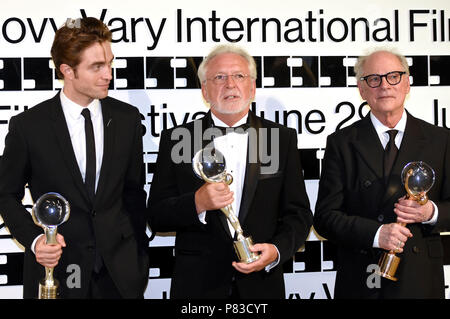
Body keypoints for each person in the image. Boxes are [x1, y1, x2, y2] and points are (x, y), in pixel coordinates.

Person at [147, 44, 312, 299]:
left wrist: (277, 250)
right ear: (204, 90)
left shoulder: (281, 139)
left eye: (239, 76)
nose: (230, 84)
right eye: (219, 77)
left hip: (262, 287)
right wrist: (197, 203)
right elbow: (156, 215)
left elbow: (298, 213)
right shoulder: (177, 139)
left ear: (253, 87)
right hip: (198, 287)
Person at [0, 17, 149, 299]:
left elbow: (133, 194)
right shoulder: (29, 126)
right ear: (67, 70)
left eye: (110, 63)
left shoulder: (127, 120)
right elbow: (5, 194)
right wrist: (34, 241)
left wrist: (138, 258)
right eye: (97, 67)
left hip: (120, 278)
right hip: (57, 273)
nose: (109, 74)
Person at [314, 48, 450, 298]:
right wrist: (376, 234)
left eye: (393, 76)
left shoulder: (440, 140)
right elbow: (325, 218)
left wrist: (431, 212)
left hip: (420, 279)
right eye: (374, 79)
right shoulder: (341, 143)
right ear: (362, 90)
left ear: (407, 83)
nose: (384, 85)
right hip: (361, 278)